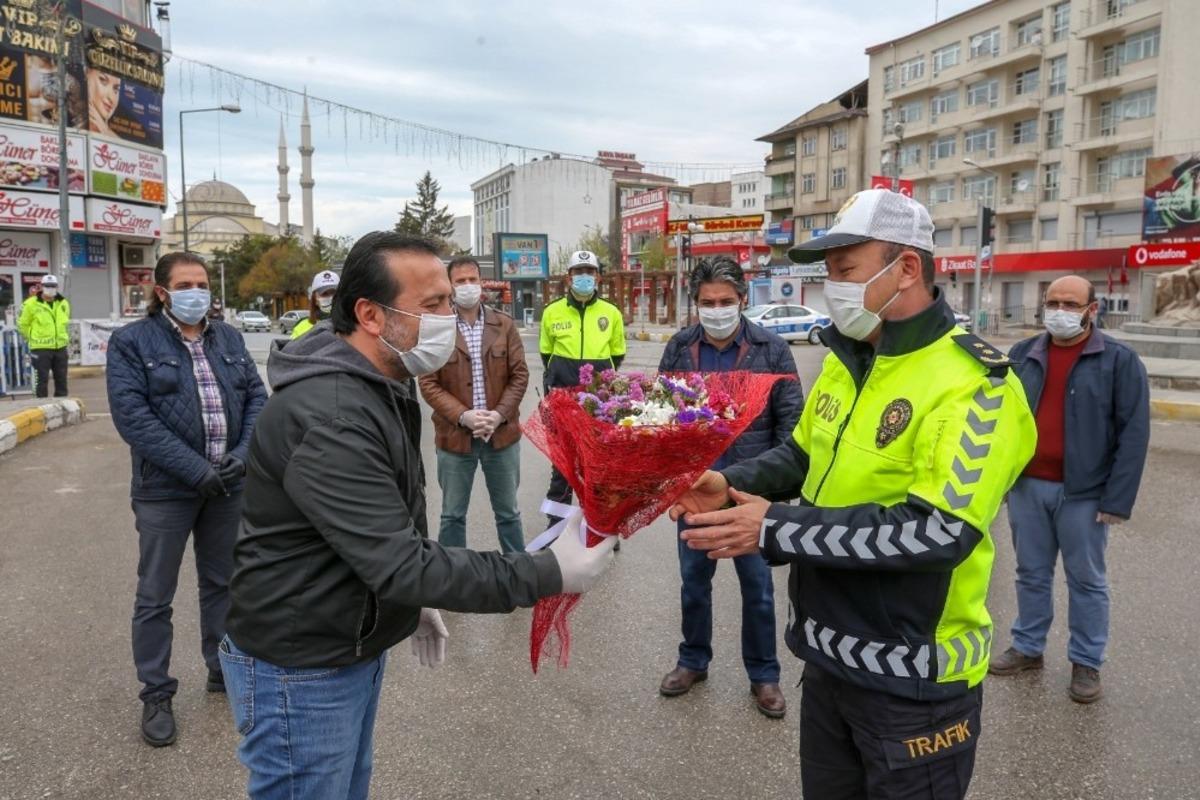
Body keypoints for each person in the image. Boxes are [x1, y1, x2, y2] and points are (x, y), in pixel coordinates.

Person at [221, 232, 616, 800]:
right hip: (300, 668)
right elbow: (400, 561)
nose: (450, 317)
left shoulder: (382, 382)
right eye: (432, 305)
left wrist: (408, 600)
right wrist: (548, 571)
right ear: (370, 314)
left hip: (343, 640)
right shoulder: (331, 414)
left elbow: (384, 527)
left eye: (449, 302)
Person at [673, 189, 1037, 799]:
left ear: (908, 269)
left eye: (846, 271)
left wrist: (773, 527)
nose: (833, 287)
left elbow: (937, 530)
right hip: (828, 659)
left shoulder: (978, 385)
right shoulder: (848, 362)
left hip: (914, 681)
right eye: (830, 273)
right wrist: (730, 483)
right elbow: (803, 456)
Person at [106, 252, 267, 747]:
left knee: (224, 582)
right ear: (162, 292)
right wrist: (196, 470)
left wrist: (241, 455)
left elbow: (257, 399)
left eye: (201, 283)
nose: (197, 292)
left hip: (227, 486)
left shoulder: (229, 338)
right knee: (155, 595)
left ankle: (222, 670)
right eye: (185, 284)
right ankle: (156, 692)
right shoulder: (131, 342)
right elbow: (134, 419)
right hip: (167, 490)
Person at [989, 276, 1150, 704]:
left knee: (1087, 580)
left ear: (1092, 310)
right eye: (1053, 302)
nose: (1060, 310)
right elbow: (1000, 420)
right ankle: (1028, 646)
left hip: (1085, 494)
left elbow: (1133, 435)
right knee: (1031, 573)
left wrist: (1117, 500)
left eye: (1071, 303)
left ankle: (1086, 661)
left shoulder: (1118, 360)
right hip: (1027, 487)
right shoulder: (1023, 355)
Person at [657, 256, 801, 719]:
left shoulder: (772, 349)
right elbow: (658, 417)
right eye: (706, 303)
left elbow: (791, 426)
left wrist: (772, 493)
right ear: (695, 304)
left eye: (725, 301)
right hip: (695, 493)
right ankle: (692, 661)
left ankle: (764, 675)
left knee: (758, 590)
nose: (716, 310)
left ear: (742, 299)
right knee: (693, 585)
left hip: (747, 496)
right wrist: (668, 482)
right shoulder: (680, 349)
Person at [418, 256, 529, 553]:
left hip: (501, 436)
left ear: (482, 283)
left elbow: (519, 376)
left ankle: (517, 573)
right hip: (455, 438)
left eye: (473, 280)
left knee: (508, 514)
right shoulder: (437, 328)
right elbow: (428, 382)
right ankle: (454, 582)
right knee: (452, 516)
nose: (468, 286)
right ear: (450, 286)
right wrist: (463, 415)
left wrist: (499, 414)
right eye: (460, 281)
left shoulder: (504, 325)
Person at [538, 250, 625, 525]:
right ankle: (556, 527)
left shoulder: (611, 313)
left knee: (598, 466)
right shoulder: (552, 311)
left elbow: (617, 354)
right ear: (569, 277)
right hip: (563, 401)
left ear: (598, 276)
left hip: (597, 404)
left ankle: (600, 526)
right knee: (562, 467)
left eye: (589, 272)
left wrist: (600, 385)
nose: (584, 277)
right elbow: (545, 354)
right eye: (578, 272)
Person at [18, 274, 71, 398]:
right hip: (40, 348)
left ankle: (62, 405)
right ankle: (40, 406)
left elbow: (65, 321)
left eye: (53, 286)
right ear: (41, 286)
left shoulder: (63, 303)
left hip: (60, 348)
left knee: (62, 380)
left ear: (57, 287)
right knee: (41, 381)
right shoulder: (30, 304)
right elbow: (22, 324)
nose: (50, 288)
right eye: (47, 286)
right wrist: (31, 338)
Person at [291, 269, 340, 339]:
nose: (330, 297)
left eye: (333, 293)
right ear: (315, 299)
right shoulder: (301, 327)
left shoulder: (351, 325)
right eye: (324, 294)